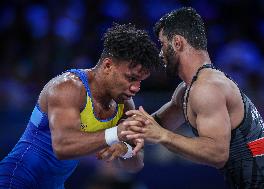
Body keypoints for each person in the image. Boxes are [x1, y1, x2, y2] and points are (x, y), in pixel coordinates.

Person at [121, 7, 264, 188]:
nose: (161, 54)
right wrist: (113, 134)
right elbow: (153, 126)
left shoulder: (208, 87)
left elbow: (217, 154)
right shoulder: (187, 89)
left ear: (177, 43)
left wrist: (163, 136)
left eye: (162, 44)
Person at [0, 23, 161, 188]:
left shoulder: (124, 103)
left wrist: (125, 150)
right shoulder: (67, 87)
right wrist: (117, 133)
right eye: (131, 78)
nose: (136, 88)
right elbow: (62, 147)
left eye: (140, 81)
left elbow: (135, 165)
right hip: (16, 178)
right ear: (107, 66)